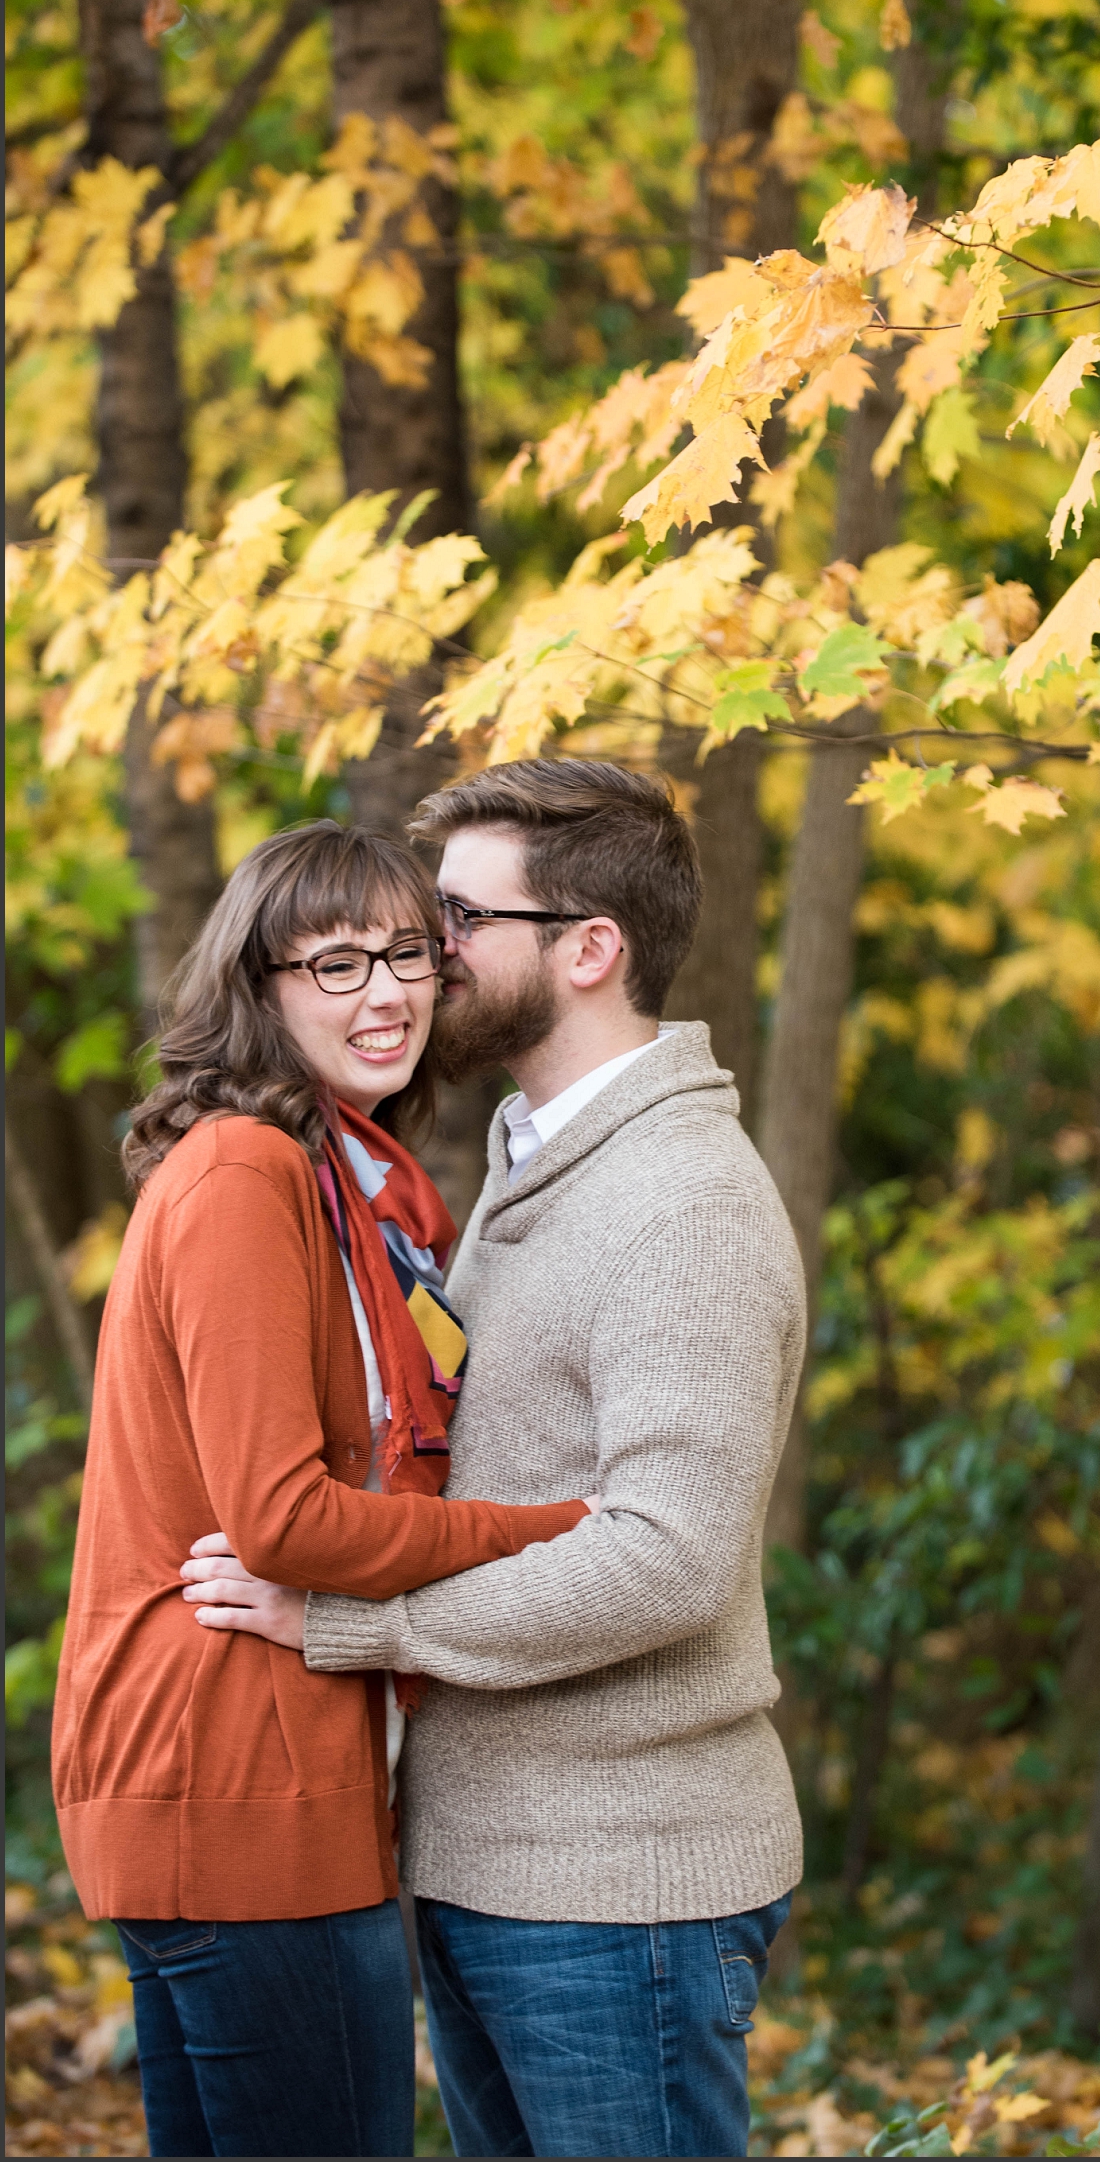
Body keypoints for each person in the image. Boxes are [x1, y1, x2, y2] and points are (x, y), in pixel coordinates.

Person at [186, 760, 807, 2161]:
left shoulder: (684, 1205)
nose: (422, 951)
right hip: (493, 1872)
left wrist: (355, 1622)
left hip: (622, 1887)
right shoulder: (533, 1167)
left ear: (590, 948)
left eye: (458, 921)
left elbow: (668, 1557)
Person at [51, 821, 592, 2161]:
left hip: (241, 1775)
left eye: (407, 953)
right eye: (337, 963)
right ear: (261, 988)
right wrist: (565, 1531)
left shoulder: (345, 1184)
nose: (387, 992)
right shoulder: (245, 1173)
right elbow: (281, 1519)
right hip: (234, 1774)